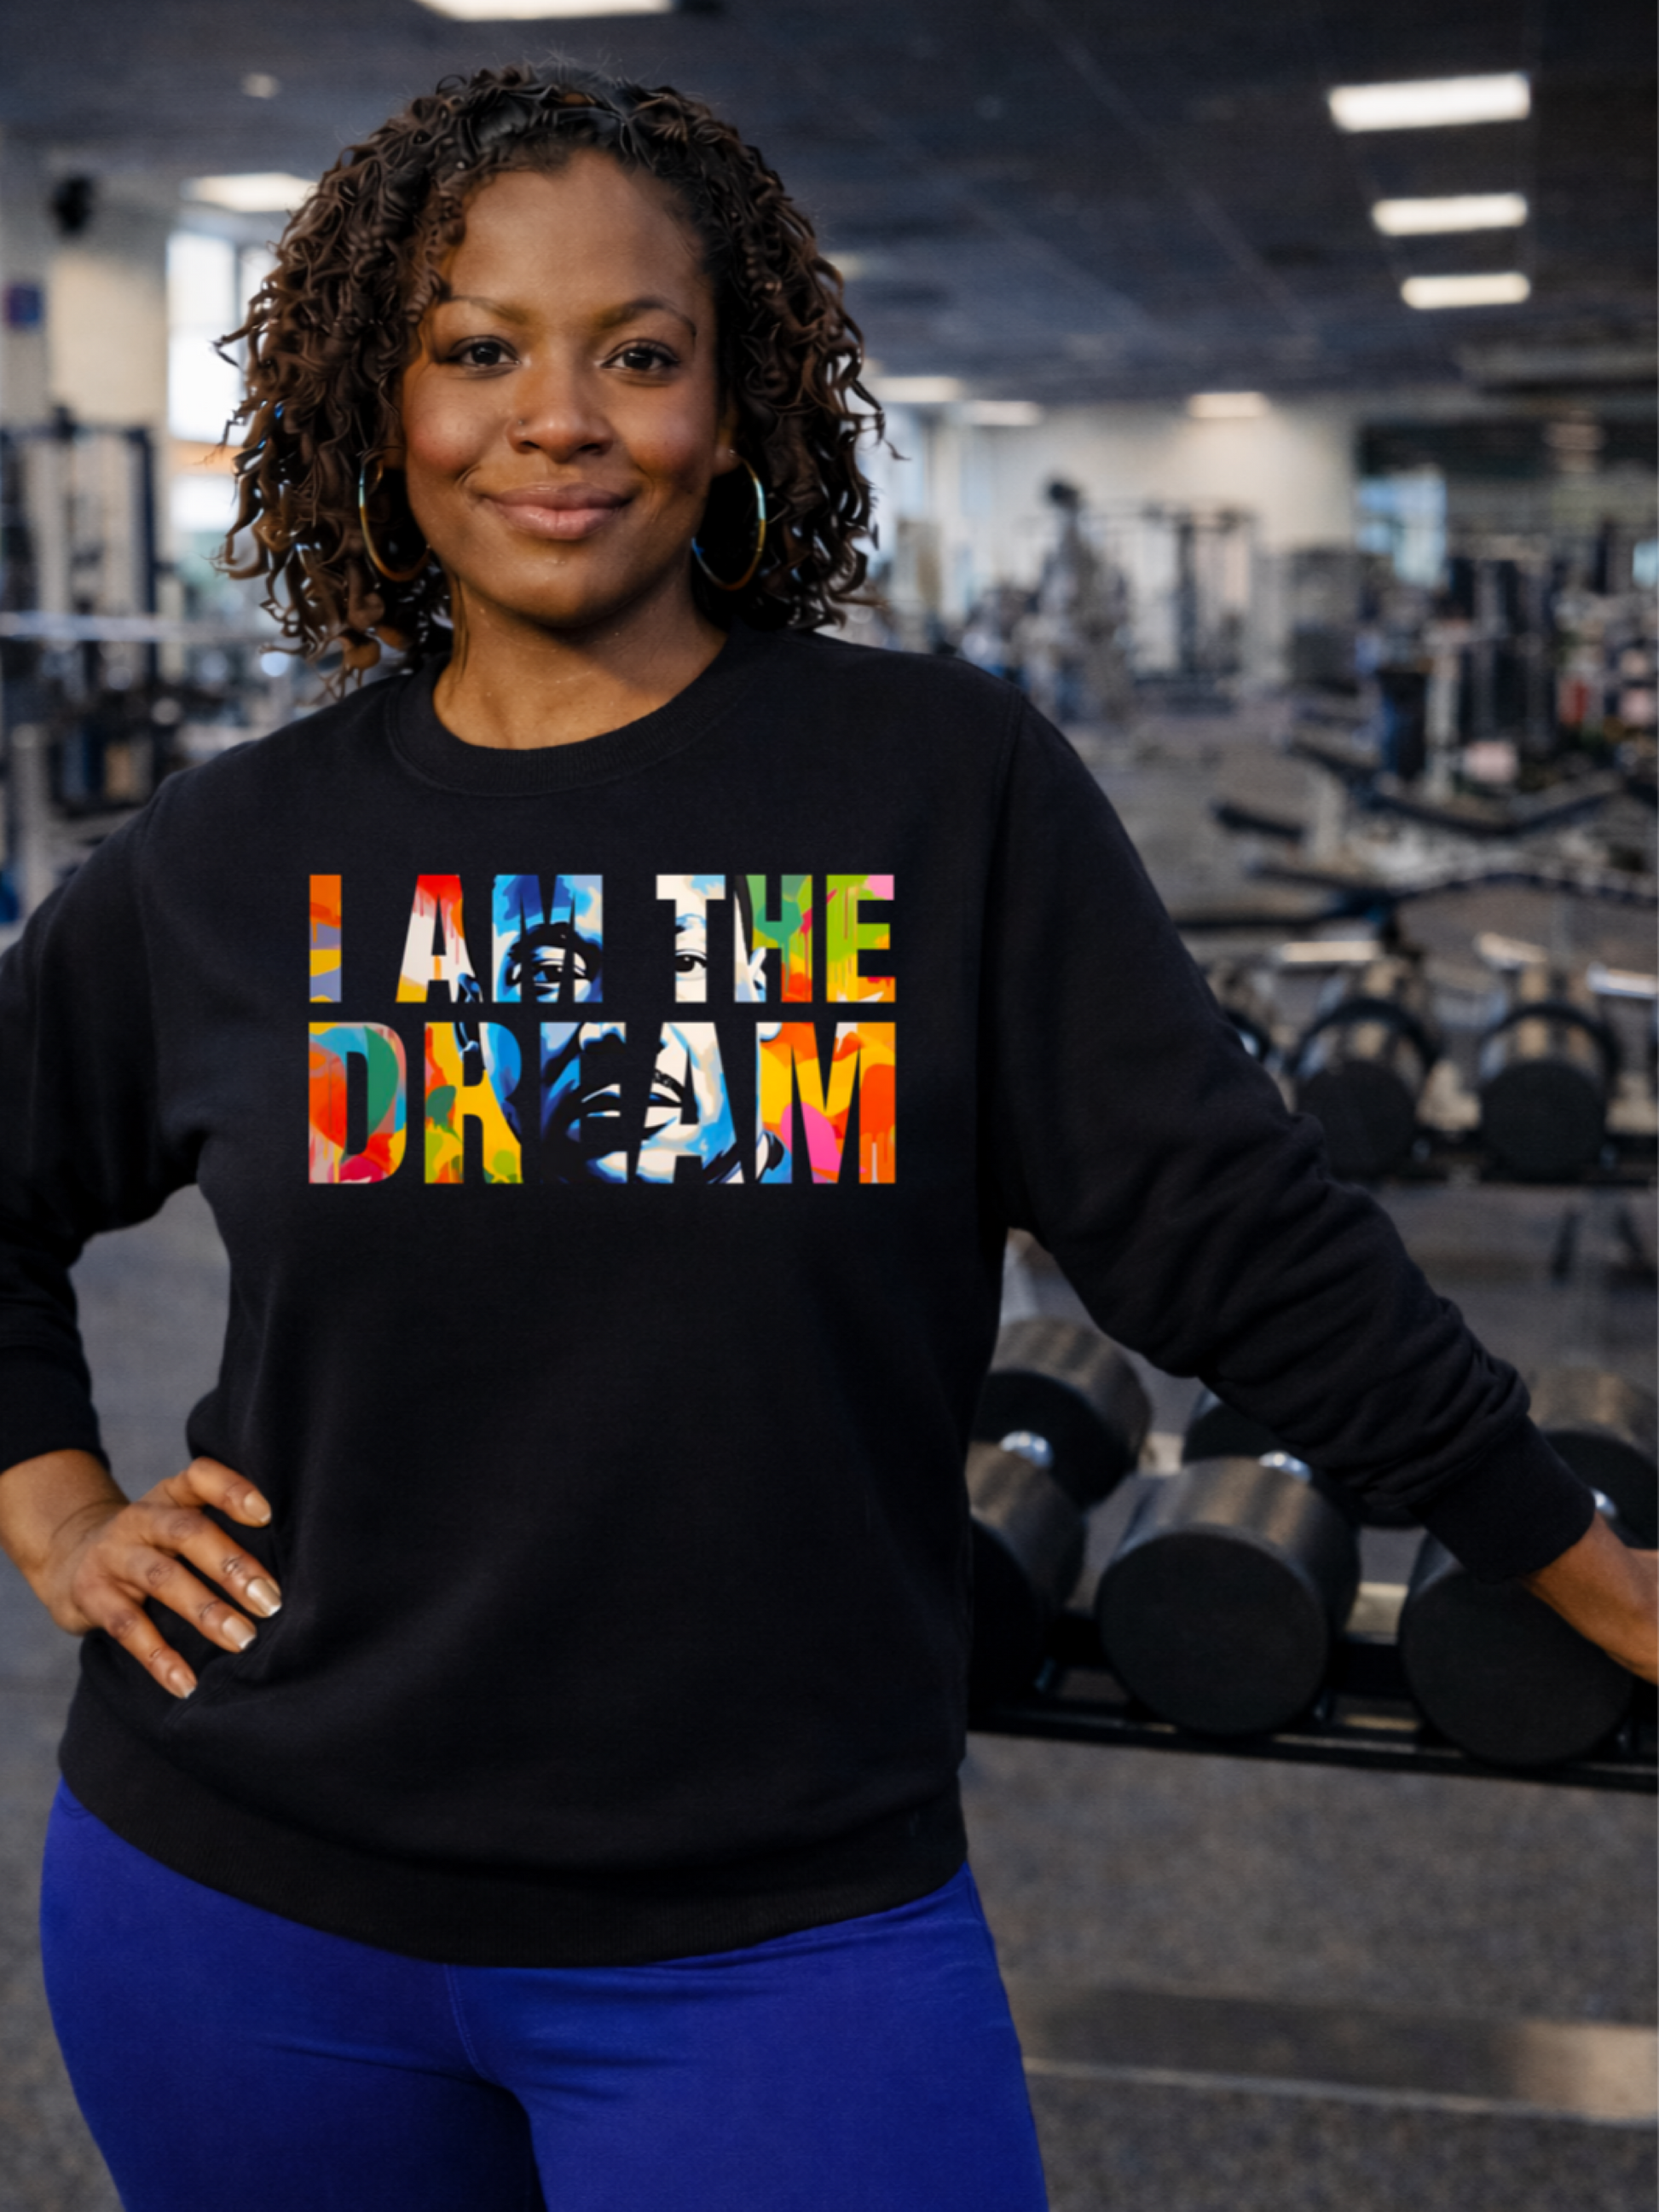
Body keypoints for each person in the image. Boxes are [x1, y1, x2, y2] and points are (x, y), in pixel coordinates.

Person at [1, 60, 1657, 2212]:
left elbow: (1230, 1234)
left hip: (768, 1935)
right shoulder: (238, 849)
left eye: (640, 353)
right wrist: (53, 1505)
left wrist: (1570, 1553)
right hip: (237, 1904)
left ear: (740, 396)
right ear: (368, 406)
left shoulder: (933, 787)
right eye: (478, 350)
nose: (560, 417)